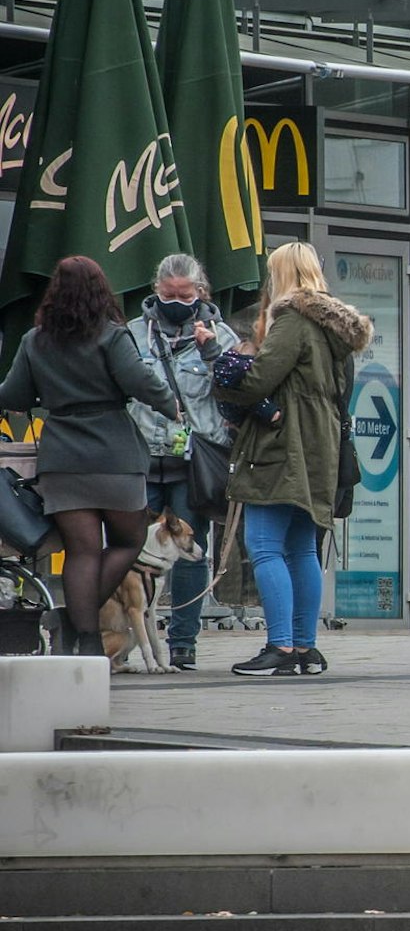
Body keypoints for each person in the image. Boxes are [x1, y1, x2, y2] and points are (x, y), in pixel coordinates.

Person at [0, 256, 177, 657]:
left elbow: (13, 395)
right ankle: (72, 623)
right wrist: (170, 405)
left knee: (81, 552)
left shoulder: (35, 340)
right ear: (101, 292)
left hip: (62, 456)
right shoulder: (112, 336)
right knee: (129, 541)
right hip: (115, 454)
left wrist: (50, 393)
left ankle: (88, 641)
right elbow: (140, 381)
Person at [213, 243, 372, 677]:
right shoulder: (338, 326)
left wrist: (225, 371)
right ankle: (306, 648)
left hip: (284, 444)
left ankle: (280, 645)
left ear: (282, 274)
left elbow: (258, 381)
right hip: (323, 445)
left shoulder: (293, 318)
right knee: (303, 548)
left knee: (264, 546)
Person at [126, 254, 239, 671]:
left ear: (199, 293)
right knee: (131, 546)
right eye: (167, 294)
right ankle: (128, 633)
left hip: (195, 459)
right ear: (155, 290)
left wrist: (211, 354)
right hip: (141, 454)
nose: (175, 301)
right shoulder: (134, 333)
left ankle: (184, 641)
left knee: (192, 548)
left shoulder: (220, 334)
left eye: (184, 295)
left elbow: (236, 391)